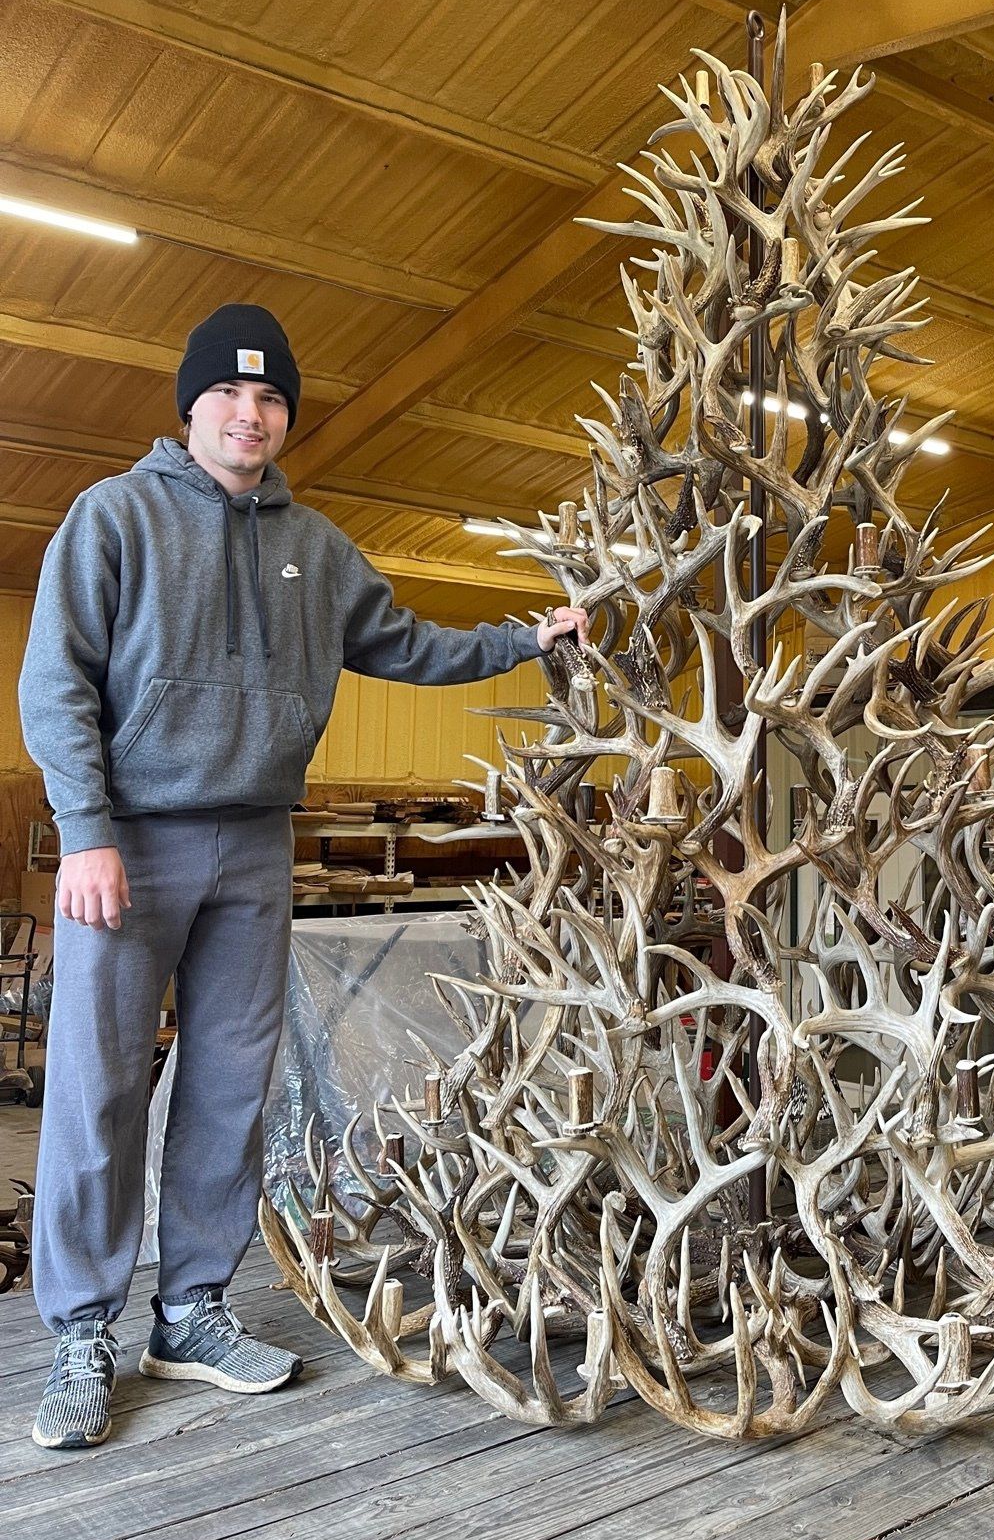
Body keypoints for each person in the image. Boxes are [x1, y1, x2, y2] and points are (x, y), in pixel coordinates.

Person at [17, 302, 588, 1449]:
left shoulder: (315, 548)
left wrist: (530, 639)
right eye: (230, 394)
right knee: (99, 1085)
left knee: (232, 1087)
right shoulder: (113, 517)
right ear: (192, 405)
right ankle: (83, 1327)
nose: (251, 412)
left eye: (272, 397)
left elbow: (410, 645)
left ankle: (190, 1313)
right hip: (132, 842)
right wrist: (84, 830)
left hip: (254, 845)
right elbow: (57, 678)